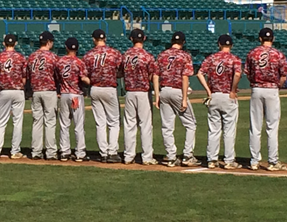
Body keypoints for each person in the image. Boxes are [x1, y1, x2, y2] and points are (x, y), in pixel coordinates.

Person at [244, 27, 287, 171]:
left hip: (257, 89)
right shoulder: (278, 54)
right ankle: (273, 161)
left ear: (260, 39)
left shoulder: (253, 53)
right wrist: (278, 86)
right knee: (272, 127)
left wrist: (255, 83)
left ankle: (254, 161)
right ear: (273, 39)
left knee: (255, 127)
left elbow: (248, 73)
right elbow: (284, 75)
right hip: (272, 89)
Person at [153, 31, 201, 167]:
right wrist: (185, 98)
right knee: (191, 124)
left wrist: (157, 95)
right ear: (183, 42)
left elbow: (155, 76)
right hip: (177, 91)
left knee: (167, 126)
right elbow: (185, 77)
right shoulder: (185, 56)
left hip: (164, 90)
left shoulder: (162, 55)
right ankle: (187, 155)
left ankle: (171, 156)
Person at [197, 34, 242, 169]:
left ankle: (212, 159)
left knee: (213, 130)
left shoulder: (211, 58)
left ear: (219, 44)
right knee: (229, 130)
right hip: (228, 96)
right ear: (231, 45)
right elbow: (238, 74)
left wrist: (208, 91)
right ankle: (229, 160)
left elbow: (199, 73)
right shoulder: (234, 59)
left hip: (214, 95)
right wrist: (233, 90)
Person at [83, 29, 124, 163]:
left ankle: (103, 153)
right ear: (105, 38)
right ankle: (112, 152)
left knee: (100, 123)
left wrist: (93, 82)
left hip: (95, 88)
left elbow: (84, 75)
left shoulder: (88, 55)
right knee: (113, 122)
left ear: (94, 39)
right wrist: (114, 75)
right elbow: (122, 70)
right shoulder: (114, 53)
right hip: (109, 88)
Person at [121, 29, 159, 166]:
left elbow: (120, 72)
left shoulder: (125, 55)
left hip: (130, 92)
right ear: (144, 38)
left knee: (129, 124)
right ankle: (147, 156)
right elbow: (152, 75)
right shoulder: (147, 56)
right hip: (143, 91)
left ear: (131, 39)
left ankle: (128, 156)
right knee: (145, 125)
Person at [0, 34, 27, 160]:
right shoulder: (21, 58)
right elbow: (24, 78)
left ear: (4, 43)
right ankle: (15, 151)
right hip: (17, 90)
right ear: (15, 43)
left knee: (1, 122)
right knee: (17, 122)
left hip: (4, 91)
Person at [56, 37, 91, 162]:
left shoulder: (60, 62)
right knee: (78, 125)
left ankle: (64, 152)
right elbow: (83, 79)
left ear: (66, 47)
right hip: (75, 95)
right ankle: (80, 153)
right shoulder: (79, 62)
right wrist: (91, 81)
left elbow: (57, 78)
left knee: (64, 125)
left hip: (64, 94)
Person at [27, 31, 59, 161]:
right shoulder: (53, 56)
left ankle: (36, 151)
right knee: (50, 122)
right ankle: (51, 152)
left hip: (36, 91)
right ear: (49, 42)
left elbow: (28, 75)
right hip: (49, 90)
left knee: (37, 122)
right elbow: (58, 74)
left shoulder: (31, 56)